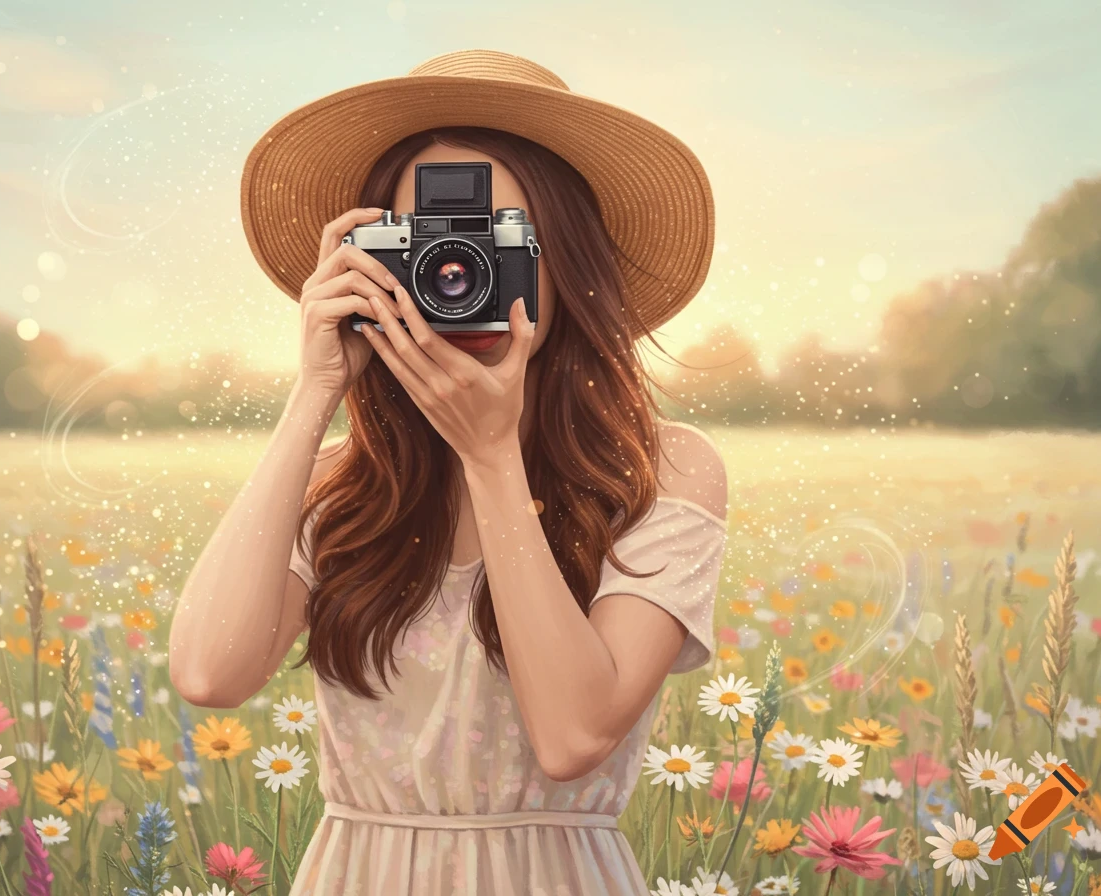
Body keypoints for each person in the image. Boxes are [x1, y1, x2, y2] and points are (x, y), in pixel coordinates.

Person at [170, 49, 728, 896]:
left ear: (566, 260)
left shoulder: (660, 470)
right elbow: (210, 673)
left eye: (488, 241)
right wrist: (315, 390)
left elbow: (574, 737)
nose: (453, 273)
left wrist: (492, 455)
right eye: (427, 247)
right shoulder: (337, 483)